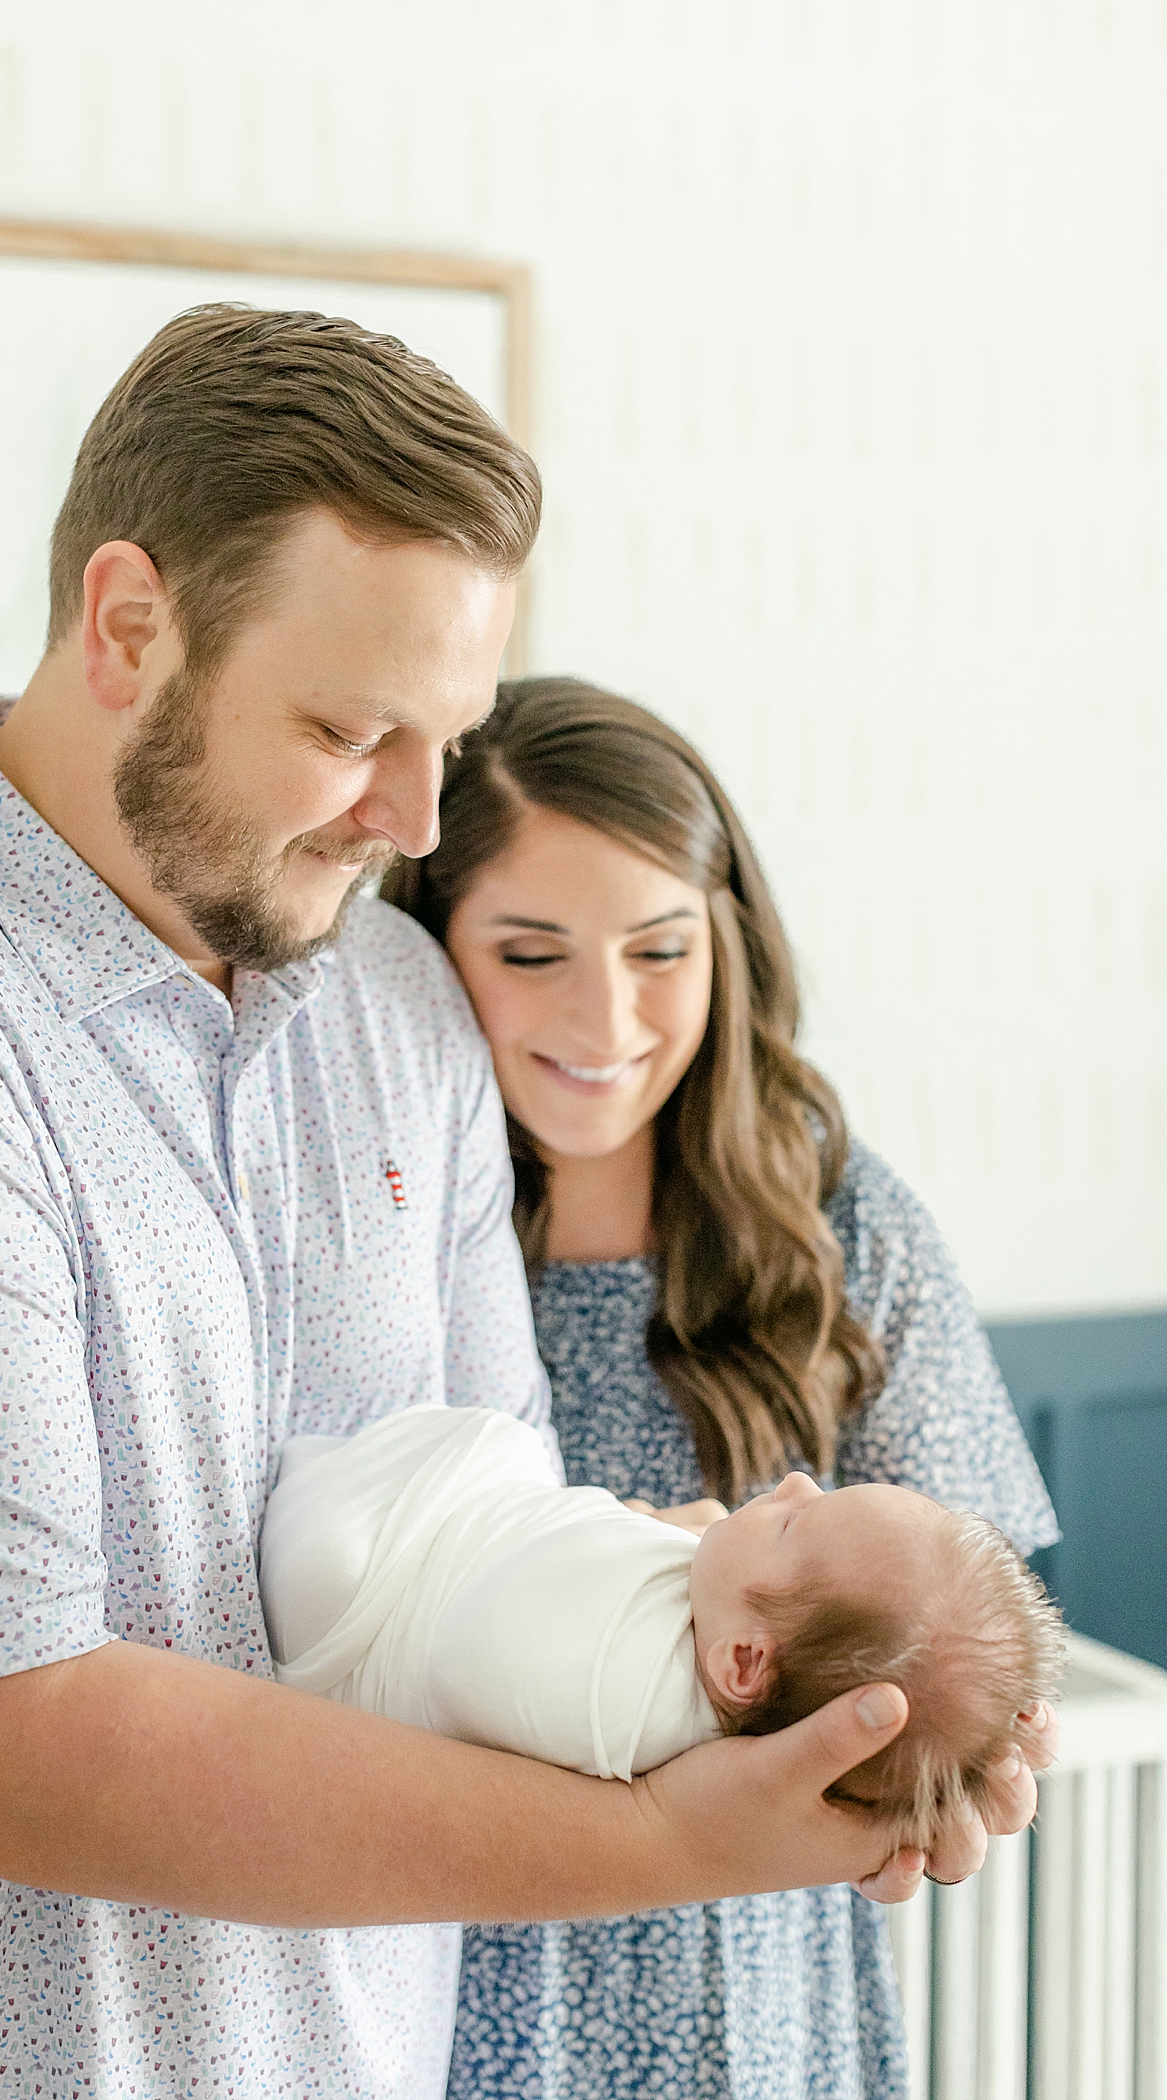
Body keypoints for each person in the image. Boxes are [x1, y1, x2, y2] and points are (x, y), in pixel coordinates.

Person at [0, 308, 1038, 2100]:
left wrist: (801, 1697)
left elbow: (491, 1518)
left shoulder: (396, 1006)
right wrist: (677, 1845)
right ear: (129, 625)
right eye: (355, 729)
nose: (417, 816)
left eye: (446, 735)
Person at [382, 676, 1062, 2100]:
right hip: (441, 1938)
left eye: (658, 949)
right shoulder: (382, 1236)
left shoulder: (841, 1228)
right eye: (528, 953)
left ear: (725, 946)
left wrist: (973, 1760)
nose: (605, 1016)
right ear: (421, 950)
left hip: (757, 1974)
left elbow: (961, 1611)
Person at [261, 1403, 1065, 1852]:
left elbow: (476, 1644)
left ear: (743, 1664)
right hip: (425, 1554)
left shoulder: (621, 1693)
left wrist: (640, 1527)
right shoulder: (712, 1636)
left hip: (360, 1594)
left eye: (794, 1525)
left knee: (479, 1459)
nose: (791, 1483)